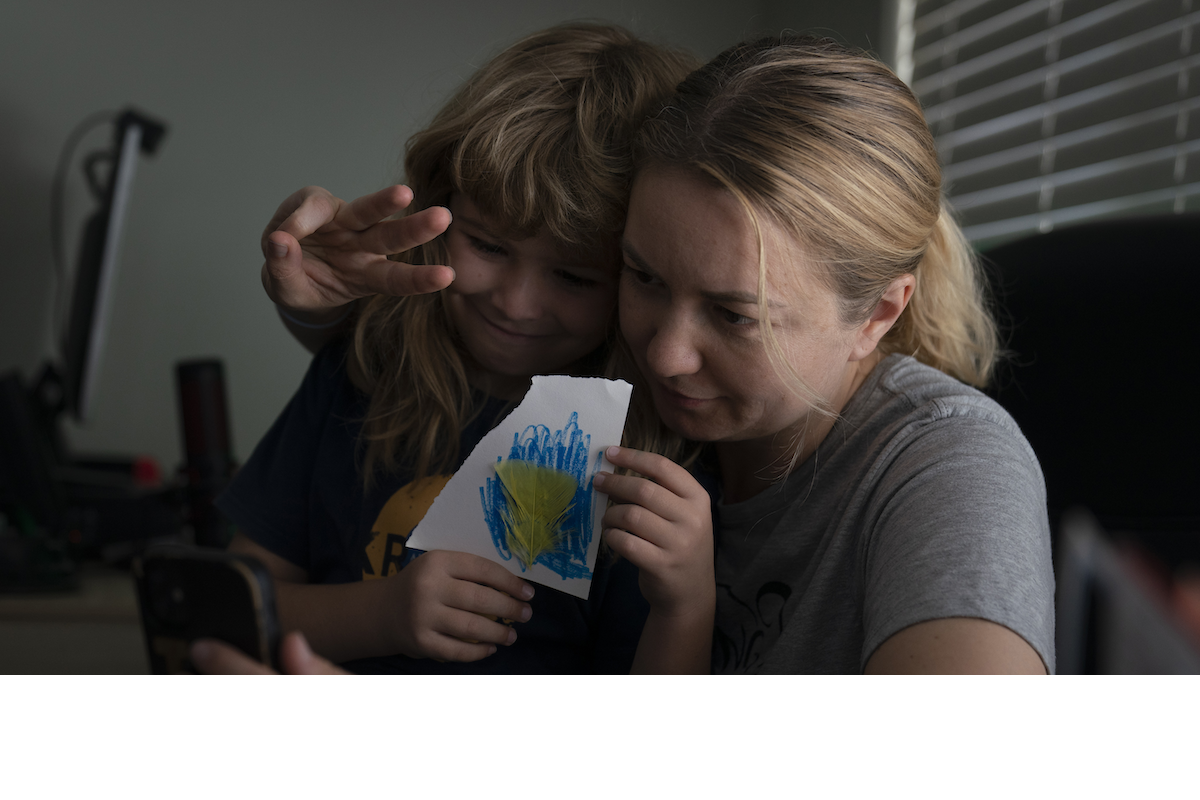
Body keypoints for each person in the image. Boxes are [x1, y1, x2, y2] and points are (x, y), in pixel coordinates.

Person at [214, 23, 705, 674]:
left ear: (645, 279)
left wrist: (685, 604)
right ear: (441, 204)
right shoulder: (363, 370)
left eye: (576, 276)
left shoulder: (650, 467)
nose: (515, 303)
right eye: (489, 246)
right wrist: (383, 614)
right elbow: (226, 608)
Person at [595, 34, 1055, 674]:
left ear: (877, 315)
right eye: (643, 277)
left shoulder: (950, 468)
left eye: (735, 315)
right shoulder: (607, 392)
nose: (666, 356)